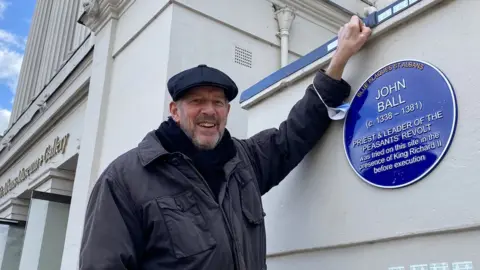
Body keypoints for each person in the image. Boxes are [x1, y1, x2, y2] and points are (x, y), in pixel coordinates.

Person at [79, 15, 371, 270]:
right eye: (196, 102)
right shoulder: (125, 179)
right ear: (174, 112)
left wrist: (340, 58)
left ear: (227, 112)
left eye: (218, 102)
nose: (209, 111)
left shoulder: (246, 160)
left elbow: (294, 134)